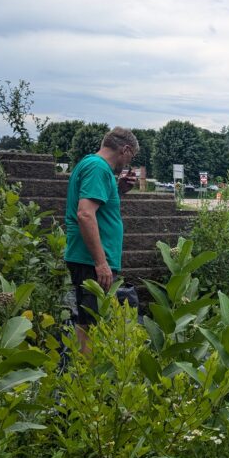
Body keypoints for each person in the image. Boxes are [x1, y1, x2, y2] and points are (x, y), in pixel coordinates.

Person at [64, 127, 139, 352]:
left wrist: (118, 189)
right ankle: (88, 381)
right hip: (91, 261)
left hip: (88, 258)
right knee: (91, 325)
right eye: (130, 157)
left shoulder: (91, 165)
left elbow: (96, 206)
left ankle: (86, 376)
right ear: (125, 149)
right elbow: (85, 214)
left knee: (90, 320)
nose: (127, 164)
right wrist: (101, 262)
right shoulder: (98, 168)